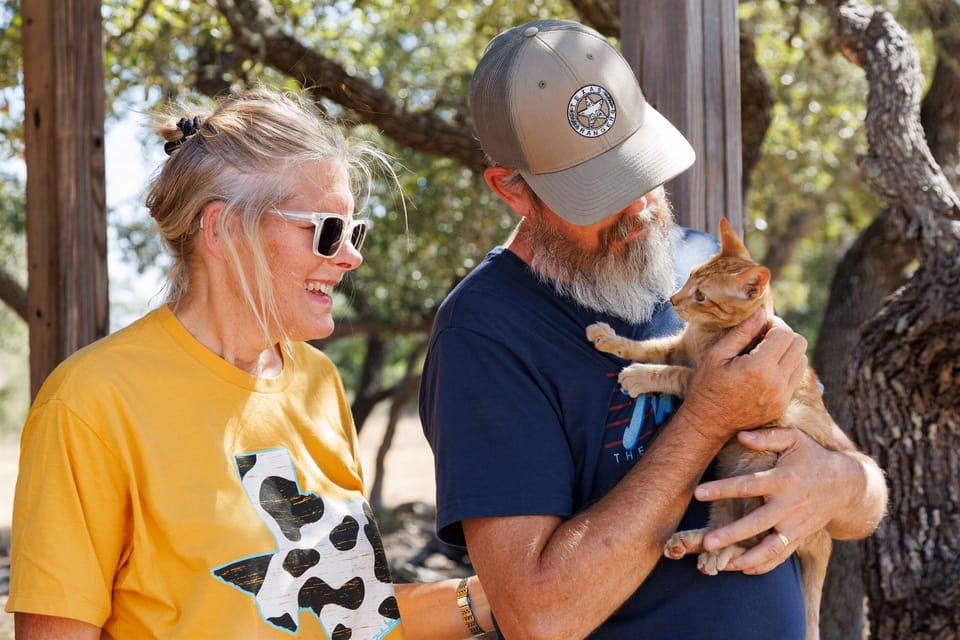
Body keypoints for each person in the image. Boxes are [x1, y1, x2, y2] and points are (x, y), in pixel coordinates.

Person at [419, 19, 887, 640]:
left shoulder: (706, 267)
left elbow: (863, 497)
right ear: (513, 190)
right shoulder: (482, 334)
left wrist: (835, 485)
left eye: (639, 169)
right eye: (600, 190)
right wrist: (705, 419)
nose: (639, 206)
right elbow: (541, 617)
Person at [7, 88, 493, 639]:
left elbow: (350, 616)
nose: (352, 257)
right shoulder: (90, 402)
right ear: (223, 228)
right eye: (327, 230)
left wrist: (499, 596)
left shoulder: (318, 382)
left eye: (353, 232)